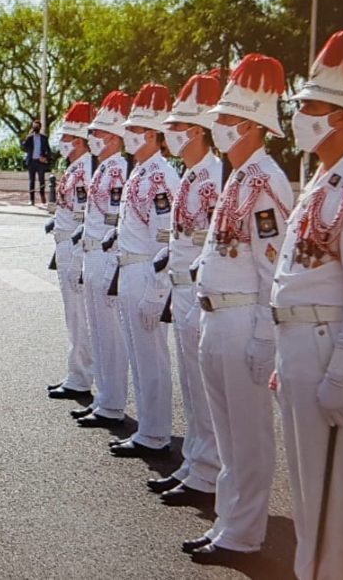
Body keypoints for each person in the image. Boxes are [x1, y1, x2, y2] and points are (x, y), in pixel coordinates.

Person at [184, 54, 293, 563]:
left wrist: (265, 339)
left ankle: (245, 533)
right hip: (215, 316)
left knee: (248, 436)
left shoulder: (266, 179)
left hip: (242, 317)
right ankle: (229, 522)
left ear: (251, 125)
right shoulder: (237, 175)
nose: (217, 128)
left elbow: (273, 268)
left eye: (226, 120)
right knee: (228, 434)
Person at [273, 30, 343, 580]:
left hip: (327, 344)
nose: (299, 115)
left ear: (340, 114)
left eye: (309, 106)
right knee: (308, 482)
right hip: (301, 342)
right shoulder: (324, 177)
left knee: (329, 486)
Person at [150, 73, 224, 507]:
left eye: (178, 127)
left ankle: (208, 470)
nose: (171, 134)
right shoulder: (192, 173)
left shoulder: (213, 175)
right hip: (180, 288)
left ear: (198, 131)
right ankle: (195, 462)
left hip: (198, 291)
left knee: (205, 391)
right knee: (192, 389)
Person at [108, 84, 180, 459]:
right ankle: (148, 428)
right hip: (129, 268)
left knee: (152, 355)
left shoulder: (161, 176)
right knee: (139, 354)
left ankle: (156, 433)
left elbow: (165, 237)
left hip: (147, 270)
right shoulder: (140, 171)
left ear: (153, 134)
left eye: (136, 129)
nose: (129, 135)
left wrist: (157, 291)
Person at [73, 91, 132, 429]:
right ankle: (103, 397)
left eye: (96, 134)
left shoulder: (120, 168)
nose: (91, 139)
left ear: (112, 137)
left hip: (107, 256)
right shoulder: (104, 168)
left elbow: (117, 218)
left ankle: (113, 402)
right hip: (92, 253)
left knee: (111, 336)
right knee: (98, 333)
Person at [45, 101, 95, 399]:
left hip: (75, 245)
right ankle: (76, 373)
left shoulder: (86, 169)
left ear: (78, 141)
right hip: (64, 243)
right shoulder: (75, 168)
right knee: (72, 317)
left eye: (66, 138)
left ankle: (81, 376)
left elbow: (86, 214)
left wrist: (77, 253)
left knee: (79, 317)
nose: (61, 143)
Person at [20, 119, 51, 205]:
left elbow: (48, 150)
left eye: (37, 126)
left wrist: (45, 158)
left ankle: (42, 197)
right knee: (31, 181)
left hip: (40, 162)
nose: (36, 128)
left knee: (42, 180)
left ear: (40, 127)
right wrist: (27, 136)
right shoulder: (29, 138)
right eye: (34, 126)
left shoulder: (44, 138)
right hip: (31, 162)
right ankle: (31, 199)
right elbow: (24, 147)